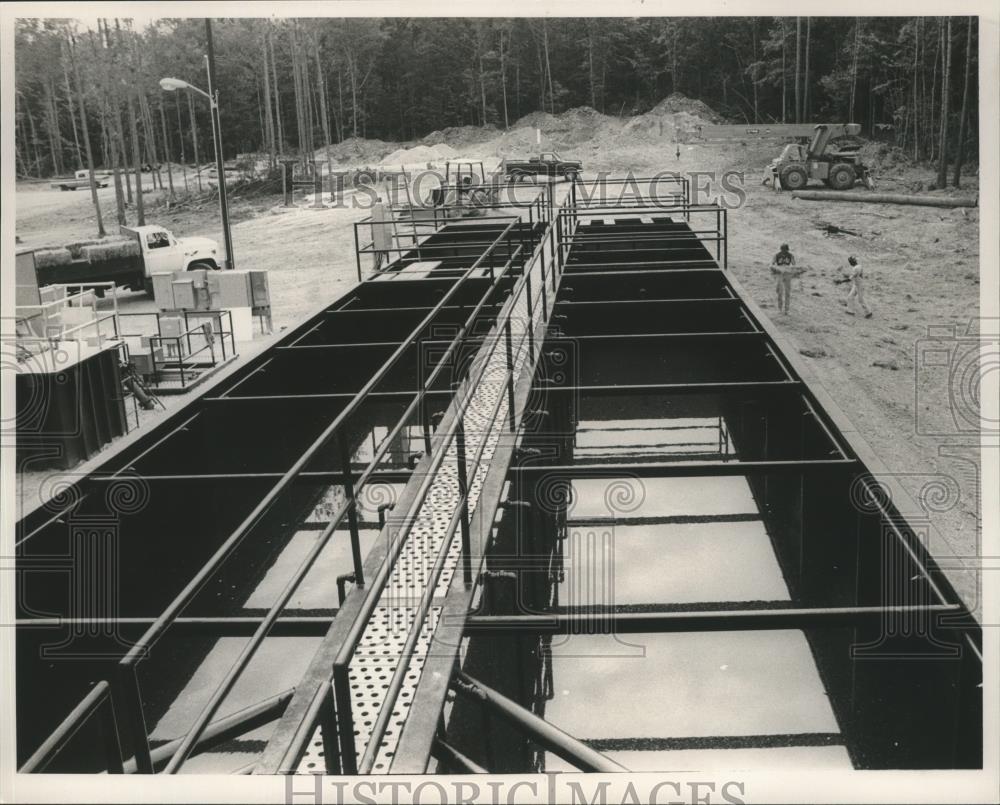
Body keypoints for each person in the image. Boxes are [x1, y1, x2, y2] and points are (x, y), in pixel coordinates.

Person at [769, 243, 797, 314]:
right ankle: (780, 309)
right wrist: (776, 269)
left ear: (787, 249)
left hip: (787, 274)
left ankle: (786, 310)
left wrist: (790, 270)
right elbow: (772, 264)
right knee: (780, 292)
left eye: (785, 250)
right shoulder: (776, 255)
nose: (784, 251)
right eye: (783, 250)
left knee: (787, 292)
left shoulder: (790, 255)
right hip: (780, 274)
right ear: (781, 249)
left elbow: (794, 264)